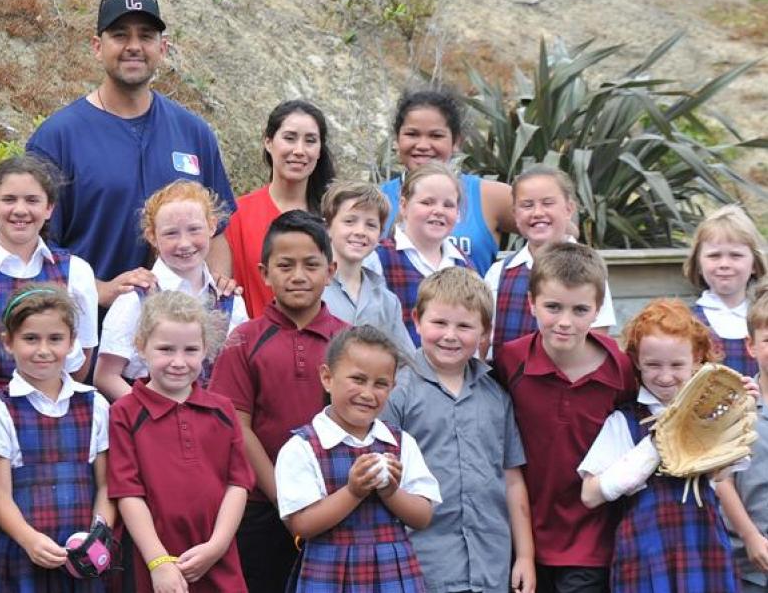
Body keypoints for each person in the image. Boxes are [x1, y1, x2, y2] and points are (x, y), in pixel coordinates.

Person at [26, 0, 236, 309]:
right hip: (87, 336)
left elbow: (217, 234)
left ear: (162, 48)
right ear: (97, 46)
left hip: (180, 345)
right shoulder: (57, 138)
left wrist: (215, 302)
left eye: (146, 36)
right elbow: (32, 247)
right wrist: (101, 291)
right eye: (120, 35)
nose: (134, 46)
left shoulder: (194, 132)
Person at [209, 210, 349, 592]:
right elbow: (238, 424)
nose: (298, 275)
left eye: (311, 264)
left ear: (331, 270)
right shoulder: (244, 340)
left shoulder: (348, 342)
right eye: (285, 265)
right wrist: (285, 497)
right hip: (260, 507)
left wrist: (321, 502)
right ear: (264, 272)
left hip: (334, 503)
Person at [494, 242, 637, 593]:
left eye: (580, 310)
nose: (565, 322)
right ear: (532, 304)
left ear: (598, 311)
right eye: (553, 307)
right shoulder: (510, 362)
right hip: (522, 534)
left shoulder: (620, 369)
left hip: (592, 538)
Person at [381, 267, 535, 593]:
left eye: (464, 326)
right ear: (417, 319)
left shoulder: (496, 396)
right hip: (422, 564)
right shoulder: (398, 392)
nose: (450, 335)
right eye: (439, 323)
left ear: (484, 333)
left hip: (490, 565)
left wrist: (524, 556)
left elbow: (511, 479)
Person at [579, 299, 741, 592]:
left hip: (702, 544)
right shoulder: (624, 420)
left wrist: (737, 406)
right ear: (637, 361)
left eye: (677, 365)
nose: (665, 377)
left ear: (698, 360)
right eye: (653, 364)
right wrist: (655, 445)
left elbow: (720, 476)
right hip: (646, 552)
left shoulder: (710, 413)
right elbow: (590, 494)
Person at [108, 290, 254, 592]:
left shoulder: (223, 410)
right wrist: (158, 562)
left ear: (206, 350)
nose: (178, 361)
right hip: (154, 562)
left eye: (190, 350)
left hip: (217, 558)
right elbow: (127, 492)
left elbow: (238, 484)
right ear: (141, 347)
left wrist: (217, 546)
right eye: (165, 349)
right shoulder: (124, 412)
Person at [276, 325, 440, 592]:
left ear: (393, 387)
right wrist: (353, 492)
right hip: (328, 572)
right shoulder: (303, 447)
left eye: (381, 384)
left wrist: (390, 491)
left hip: (392, 573)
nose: (368, 393)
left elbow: (422, 517)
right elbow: (302, 525)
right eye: (358, 379)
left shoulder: (400, 443)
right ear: (327, 377)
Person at [0, 284, 113, 592]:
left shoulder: (94, 404)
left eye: (55, 339)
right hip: (23, 554)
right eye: (30, 339)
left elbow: (107, 484)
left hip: (82, 558)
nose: (43, 350)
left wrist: (98, 534)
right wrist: (29, 540)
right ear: (8, 342)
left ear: (71, 342)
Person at [0, 155, 99, 392]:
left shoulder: (77, 271)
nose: (20, 210)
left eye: (32, 200)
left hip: (51, 403)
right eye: (8, 199)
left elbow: (82, 358)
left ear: (49, 208)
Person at [94, 179, 248, 401]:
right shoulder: (136, 297)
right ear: (152, 236)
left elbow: (239, 372)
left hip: (212, 425)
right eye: (171, 233)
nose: (184, 243)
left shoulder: (228, 298)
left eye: (194, 229)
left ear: (212, 226)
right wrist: (153, 412)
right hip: (150, 424)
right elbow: (106, 376)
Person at [379, 88, 516, 275]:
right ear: (396, 139)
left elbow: (558, 227)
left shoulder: (489, 196)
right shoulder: (376, 199)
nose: (423, 145)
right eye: (412, 134)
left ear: (456, 141)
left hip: (471, 302)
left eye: (436, 136)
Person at [484, 166, 616, 358]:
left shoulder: (590, 270)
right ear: (514, 213)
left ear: (569, 209)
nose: (537, 212)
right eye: (527, 205)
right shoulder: (499, 273)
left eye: (547, 203)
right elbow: (484, 338)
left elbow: (598, 340)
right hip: (505, 384)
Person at [225, 99, 337, 318]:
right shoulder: (236, 214)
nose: (299, 150)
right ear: (268, 142)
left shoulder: (334, 217)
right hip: (252, 344)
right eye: (289, 138)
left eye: (310, 141)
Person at [366, 162, 474, 347]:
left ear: (457, 213)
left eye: (448, 205)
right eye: (427, 202)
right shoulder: (378, 258)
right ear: (403, 205)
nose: (438, 211)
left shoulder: (465, 265)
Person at [320, 180, 414, 355]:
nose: (360, 231)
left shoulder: (387, 301)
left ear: (380, 234)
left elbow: (405, 362)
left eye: (371, 225)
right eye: (349, 221)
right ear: (328, 227)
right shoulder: (312, 289)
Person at [717, 283, 768, 593]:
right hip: (751, 558)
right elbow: (722, 480)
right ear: (750, 346)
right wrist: (751, 538)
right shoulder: (736, 404)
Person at [683, 204, 767, 376]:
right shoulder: (685, 322)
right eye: (714, 256)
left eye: (736, 255)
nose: (724, 264)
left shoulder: (764, 318)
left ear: (754, 264)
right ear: (698, 264)